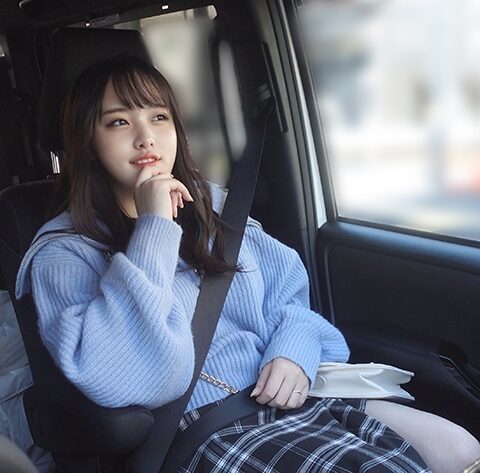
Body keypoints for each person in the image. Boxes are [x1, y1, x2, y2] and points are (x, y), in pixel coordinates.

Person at [16, 57, 480, 473]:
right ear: (88, 141)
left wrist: (293, 352)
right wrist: (154, 229)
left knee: (459, 448)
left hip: (287, 394)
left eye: (159, 117)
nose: (146, 137)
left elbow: (291, 300)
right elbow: (136, 378)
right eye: (119, 122)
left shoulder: (214, 208)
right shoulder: (64, 253)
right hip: (201, 426)